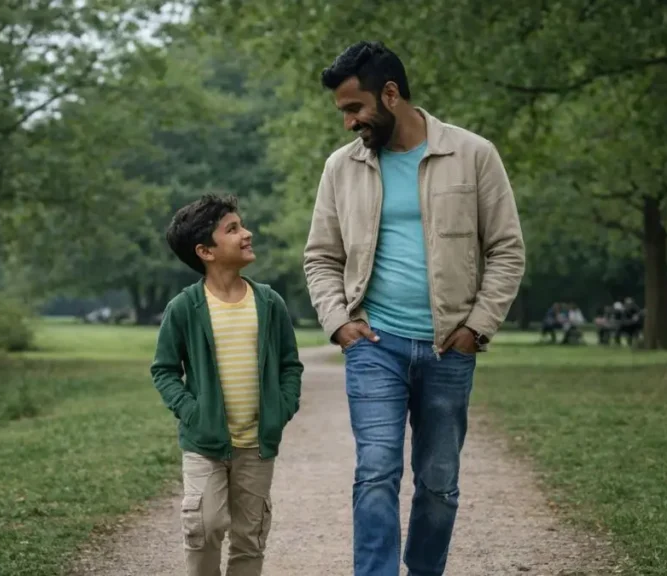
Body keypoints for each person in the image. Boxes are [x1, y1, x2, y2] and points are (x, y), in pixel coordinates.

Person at [303, 41, 526, 576]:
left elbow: (506, 249)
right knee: (375, 472)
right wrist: (339, 323)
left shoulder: (473, 154)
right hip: (373, 346)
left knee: (437, 484)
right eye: (342, 112)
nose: (349, 122)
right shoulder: (341, 168)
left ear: (391, 94)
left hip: (449, 349)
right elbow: (320, 256)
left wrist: (477, 326)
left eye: (355, 108)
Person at [151, 194, 304, 576]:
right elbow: (164, 370)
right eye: (232, 229)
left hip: (257, 443)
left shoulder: (269, 303)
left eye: (242, 225)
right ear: (205, 251)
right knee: (205, 526)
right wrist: (193, 412)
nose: (246, 234)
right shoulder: (184, 308)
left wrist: (282, 408)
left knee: (249, 536)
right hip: (205, 443)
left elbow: (290, 365)